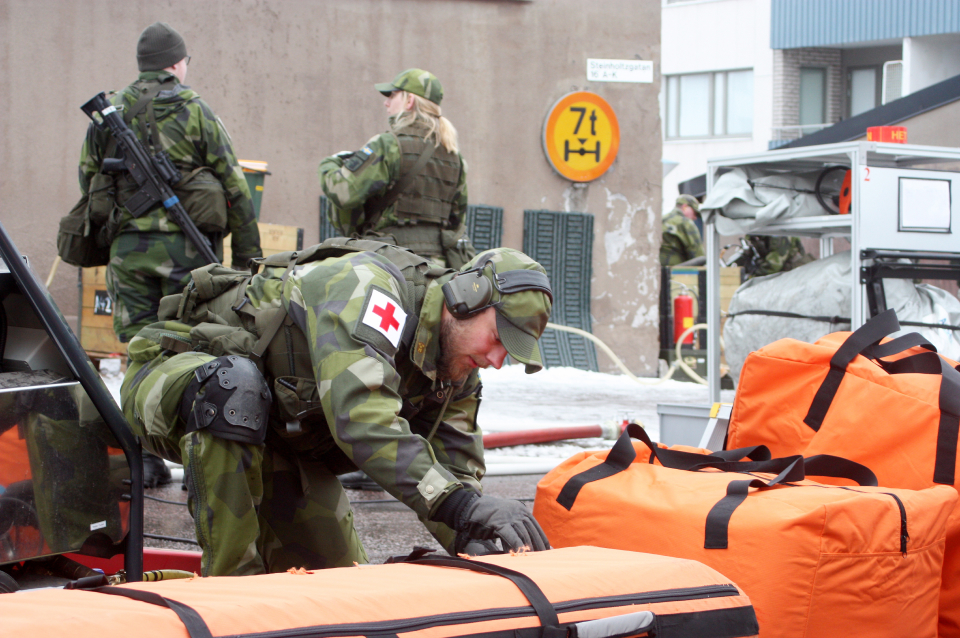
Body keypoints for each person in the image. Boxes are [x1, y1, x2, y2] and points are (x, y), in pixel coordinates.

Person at [119, 240, 553, 576]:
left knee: (337, 586)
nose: (498, 360)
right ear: (466, 299)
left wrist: (474, 535)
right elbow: (362, 416)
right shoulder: (368, 288)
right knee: (234, 388)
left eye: (510, 353)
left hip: (280, 438)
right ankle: (229, 595)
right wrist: (459, 506)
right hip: (176, 382)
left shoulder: (457, 366)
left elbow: (455, 472)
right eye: (499, 338)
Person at [77, 22, 262, 488]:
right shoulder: (195, 109)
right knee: (195, 348)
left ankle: (143, 458)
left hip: (129, 253)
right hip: (188, 256)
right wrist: (249, 260)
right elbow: (235, 186)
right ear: (177, 64)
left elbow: (88, 177)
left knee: (139, 351)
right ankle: (200, 457)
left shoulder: (113, 113)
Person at [318, 68, 476, 270]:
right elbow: (457, 222)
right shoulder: (455, 157)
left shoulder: (388, 145)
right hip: (437, 270)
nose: (387, 102)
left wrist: (330, 164)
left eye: (392, 95)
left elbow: (343, 192)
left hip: (388, 266)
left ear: (409, 100)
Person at [660, 194, 704, 267]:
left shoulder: (662, 219)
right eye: (694, 213)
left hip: (656, 270)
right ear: (685, 207)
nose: (695, 217)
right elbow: (697, 254)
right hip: (676, 272)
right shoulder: (685, 223)